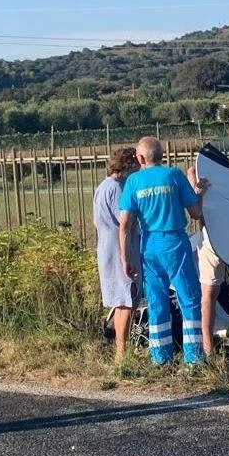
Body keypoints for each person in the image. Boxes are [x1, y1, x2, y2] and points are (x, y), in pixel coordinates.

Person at [118, 136, 207, 367]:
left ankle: (160, 356)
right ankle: (194, 358)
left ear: (139, 158)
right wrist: (199, 192)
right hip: (175, 243)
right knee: (189, 298)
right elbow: (196, 212)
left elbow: (125, 224)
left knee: (157, 301)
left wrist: (125, 257)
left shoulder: (134, 182)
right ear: (162, 156)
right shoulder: (175, 176)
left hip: (149, 247)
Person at [187, 165, 229, 357]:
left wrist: (195, 184)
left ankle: (208, 347)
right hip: (221, 235)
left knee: (209, 292)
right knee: (210, 291)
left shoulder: (206, 177)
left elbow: (190, 173)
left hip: (213, 235)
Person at [93, 147, 142, 359]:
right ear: (128, 166)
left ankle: (118, 346)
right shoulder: (118, 188)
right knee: (126, 300)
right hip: (120, 247)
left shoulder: (103, 186)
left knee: (121, 299)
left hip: (108, 246)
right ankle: (122, 352)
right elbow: (125, 220)